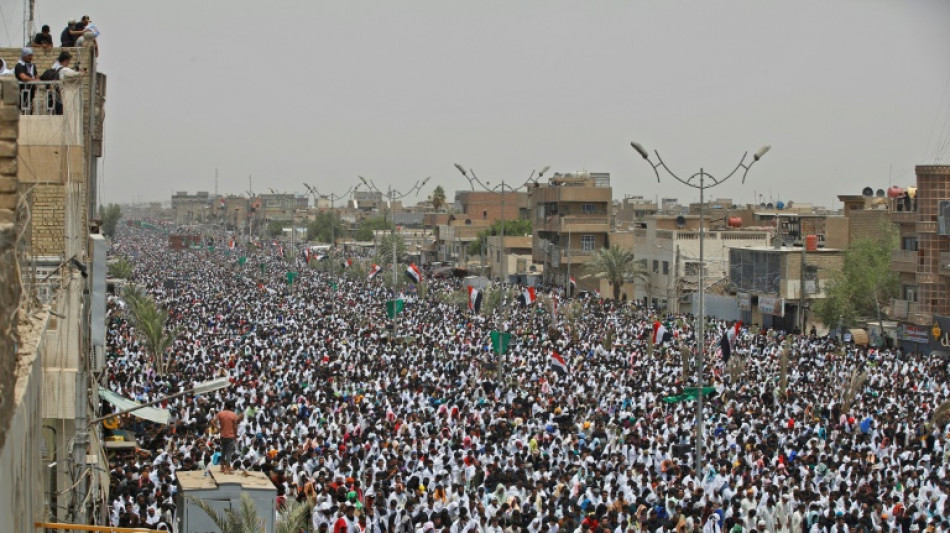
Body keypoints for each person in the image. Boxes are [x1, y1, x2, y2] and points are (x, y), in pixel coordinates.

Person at [212, 400, 242, 474]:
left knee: (223, 451)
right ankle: (226, 468)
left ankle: (222, 467)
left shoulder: (220, 414)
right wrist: (235, 437)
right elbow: (235, 427)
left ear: (225, 406)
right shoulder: (234, 415)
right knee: (228, 453)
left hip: (223, 435)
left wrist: (218, 428)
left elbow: (212, 422)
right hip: (231, 436)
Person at [14, 48, 38, 114]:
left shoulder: (33, 66)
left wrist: (37, 82)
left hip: (31, 91)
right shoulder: (19, 66)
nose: (31, 57)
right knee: (22, 108)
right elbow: (23, 77)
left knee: (30, 108)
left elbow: (36, 76)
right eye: (29, 55)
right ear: (24, 56)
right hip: (22, 91)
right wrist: (34, 80)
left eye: (31, 55)